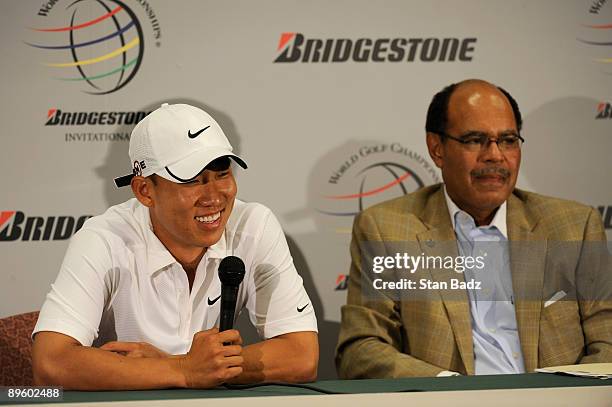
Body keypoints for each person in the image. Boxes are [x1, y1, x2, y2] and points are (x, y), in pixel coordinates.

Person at [336, 79, 612, 378]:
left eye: (507, 140)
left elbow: (607, 338)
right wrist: (449, 391)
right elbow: (362, 349)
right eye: (474, 140)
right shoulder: (387, 230)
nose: (494, 155)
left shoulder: (572, 226)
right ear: (437, 148)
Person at [32, 103, 318, 389]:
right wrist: (185, 369)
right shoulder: (103, 238)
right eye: (192, 181)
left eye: (222, 175)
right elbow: (51, 363)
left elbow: (302, 355)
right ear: (144, 190)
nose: (214, 197)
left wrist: (183, 366)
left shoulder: (253, 225)